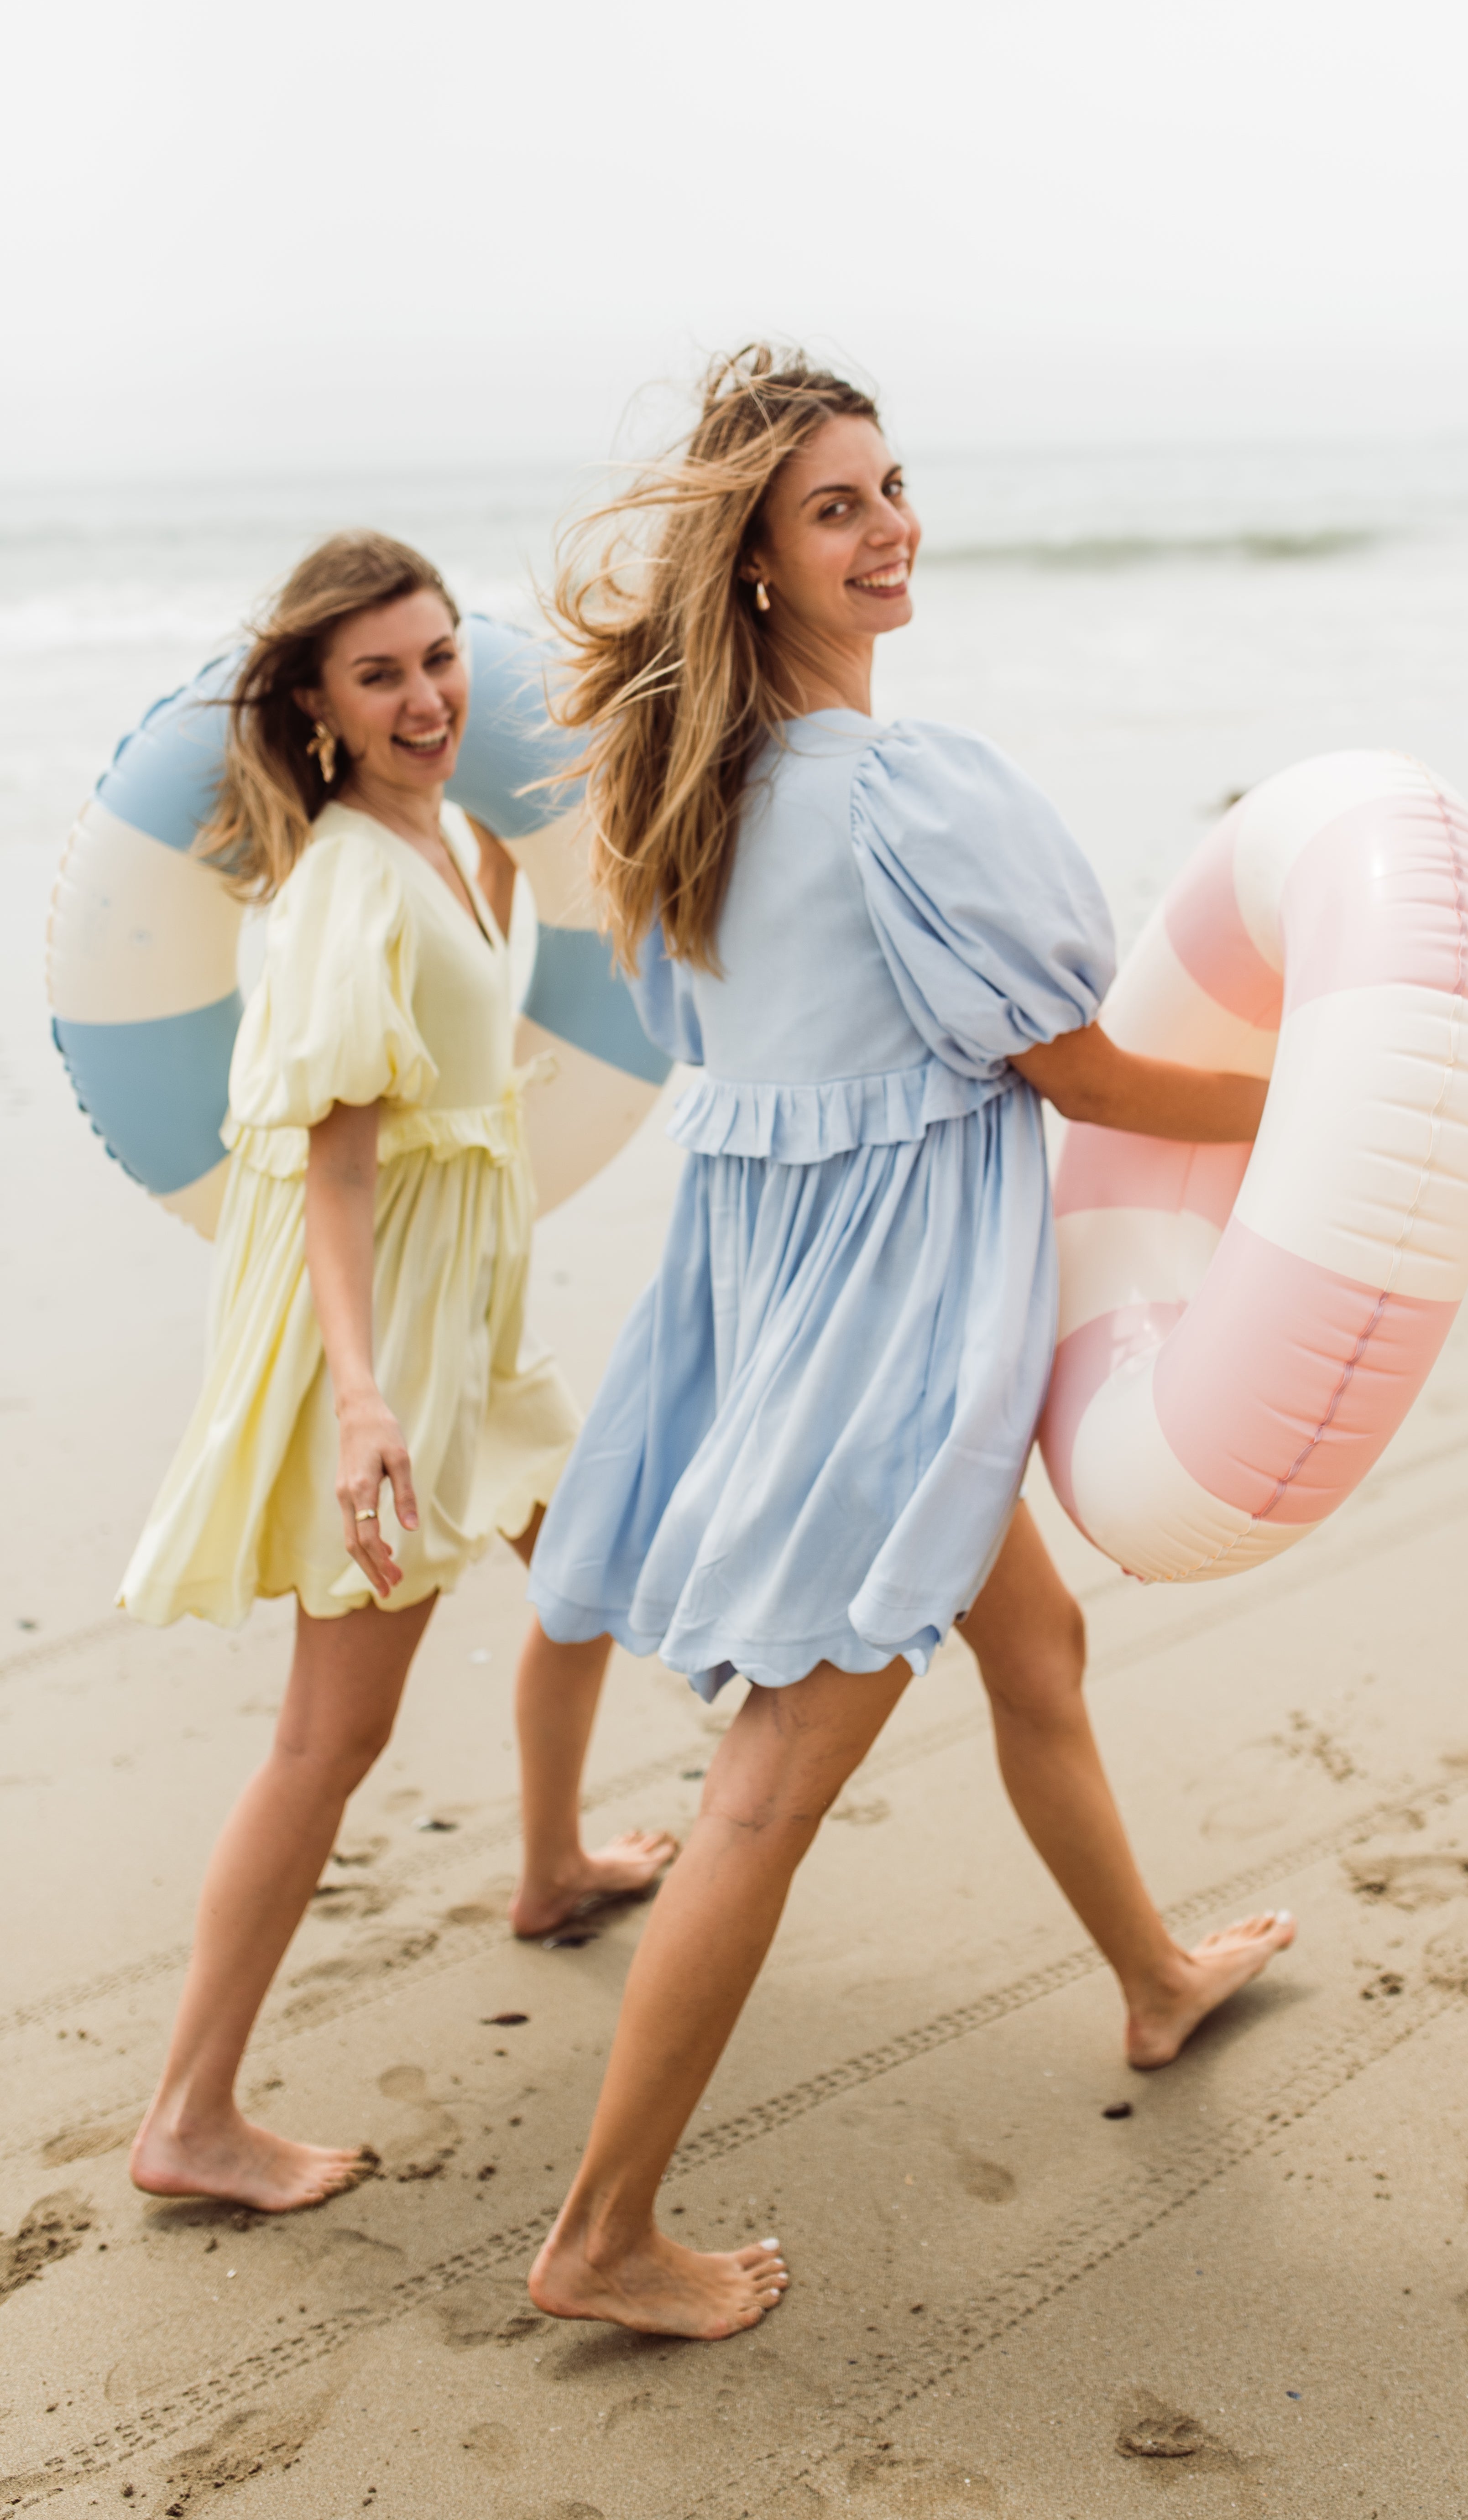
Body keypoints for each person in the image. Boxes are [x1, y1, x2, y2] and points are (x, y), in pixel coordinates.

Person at [522, 350, 1295, 2342]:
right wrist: (1312, 1109)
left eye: (888, 487)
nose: (887, 532)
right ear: (758, 566)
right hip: (888, 1346)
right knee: (770, 1786)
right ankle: (604, 2231)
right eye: (834, 510)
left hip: (804, 1317)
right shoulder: (893, 791)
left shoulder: (705, 795)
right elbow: (1079, 1062)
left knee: (1032, 1644)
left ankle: (1148, 1971)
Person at [122, 532, 675, 2215]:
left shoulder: (456, 841)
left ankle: (555, 1864)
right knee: (328, 1739)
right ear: (316, 704)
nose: (426, 696)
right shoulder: (345, 887)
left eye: (437, 657)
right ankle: (190, 2115)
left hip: (478, 1327)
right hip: (391, 1338)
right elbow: (337, 1170)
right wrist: (363, 1402)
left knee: (582, 1570)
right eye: (380, 674)